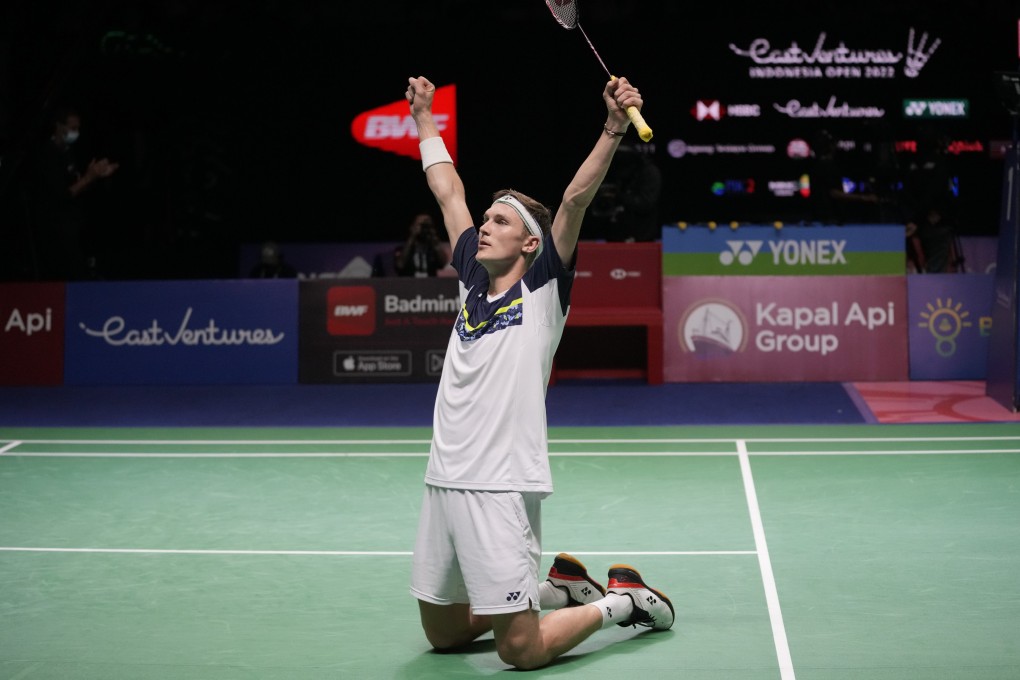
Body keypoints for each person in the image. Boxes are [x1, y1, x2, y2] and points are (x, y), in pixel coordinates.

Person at [405, 74, 674, 671]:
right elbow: (449, 193)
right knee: (444, 635)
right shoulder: (474, 282)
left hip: (499, 482)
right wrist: (424, 119)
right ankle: (555, 592)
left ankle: (623, 604)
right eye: (486, 220)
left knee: (519, 652)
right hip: (443, 477)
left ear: (530, 245)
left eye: (499, 222)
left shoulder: (542, 288)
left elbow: (575, 200)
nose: (484, 227)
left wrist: (611, 126)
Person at [26, 106, 119, 280]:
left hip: (73, 226)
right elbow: (63, 194)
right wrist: (89, 177)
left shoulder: (68, 152)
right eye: (72, 128)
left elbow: (77, 186)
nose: (76, 132)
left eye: (78, 128)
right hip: (54, 231)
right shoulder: (48, 154)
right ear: (59, 126)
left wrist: (95, 176)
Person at [586, 139, 662, 241]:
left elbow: (646, 203)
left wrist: (619, 196)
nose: (620, 166)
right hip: (612, 234)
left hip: (642, 235)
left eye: (623, 161)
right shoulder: (609, 171)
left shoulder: (648, 173)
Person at [394, 212, 449, 277]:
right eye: (421, 225)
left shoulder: (433, 249)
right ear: (412, 227)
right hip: (410, 283)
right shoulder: (403, 248)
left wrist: (434, 238)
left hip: (430, 283)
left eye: (427, 226)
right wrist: (412, 236)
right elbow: (400, 264)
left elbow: (443, 264)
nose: (424, 229)